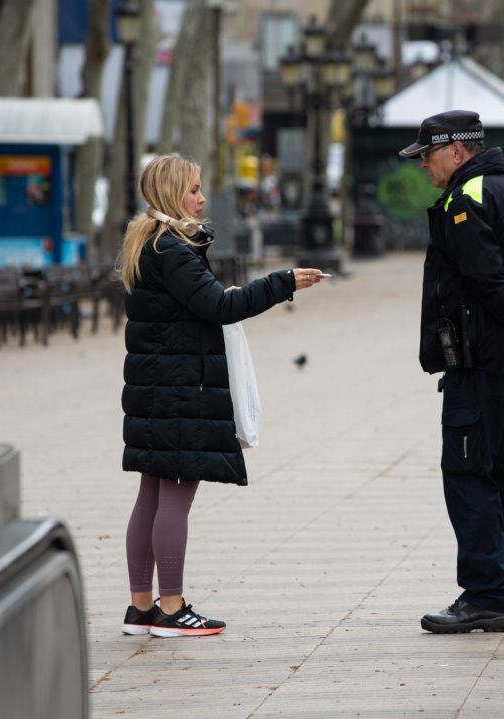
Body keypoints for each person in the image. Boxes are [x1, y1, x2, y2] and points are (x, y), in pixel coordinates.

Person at [119, 154, 324, 637]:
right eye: (193, 189)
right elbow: (220, 307)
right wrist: (283, 283)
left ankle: (140, 608)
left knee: (150, 495)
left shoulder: (146, 242)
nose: (201, 197)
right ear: (172, 194)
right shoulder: (173, 249)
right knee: (174, 496)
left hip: (155, 389)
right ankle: (171, 609)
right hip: (180, 390)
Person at [399, 110, 504, 634]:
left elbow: (488, 282)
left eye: (428, 155)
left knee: (468, 474)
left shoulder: (467, 199)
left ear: (457, 151)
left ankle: (485, 593)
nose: (424, 165)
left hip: (481, 363)